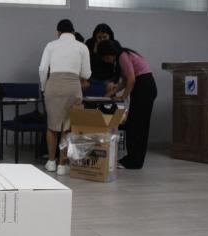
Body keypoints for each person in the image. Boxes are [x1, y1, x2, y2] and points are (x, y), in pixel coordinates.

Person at [39, 19, 91, 175]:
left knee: (52, 125)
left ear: (58, 32)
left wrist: (44, 86)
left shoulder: (51, 45)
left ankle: (50, 162)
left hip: (53, 85)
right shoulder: (82, 47)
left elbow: (42, 69)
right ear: (74, 32)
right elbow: (86, 73)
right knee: (67, 127)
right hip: (72, 86)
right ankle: (62, 165)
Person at [97, 40, 157, 169]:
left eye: (106, 57)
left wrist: (123, 97)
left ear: (110, 53)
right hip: (145, 87)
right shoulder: (124, 56)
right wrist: (112, 93)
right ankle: (133, 158)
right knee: (135, 124)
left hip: (144, 88)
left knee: (138, 125)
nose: (107, 60)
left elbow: (132, 80)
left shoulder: (123, 56)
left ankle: (135, 161)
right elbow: (124, 81)